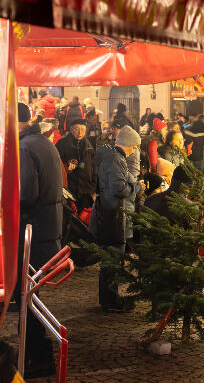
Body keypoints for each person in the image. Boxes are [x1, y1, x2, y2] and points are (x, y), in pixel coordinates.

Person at [16, 102, 63, 378]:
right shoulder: (41, 142)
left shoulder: (24, 147)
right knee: (29, 297)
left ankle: (39, 357)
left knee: (25, 297)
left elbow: (25, 193)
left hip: (32, 233)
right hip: (47, 229)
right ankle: (38, 354)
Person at [91, 126, 142, 311]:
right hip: (113, 216)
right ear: (129, 144)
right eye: (135, 147)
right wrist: (136, 188)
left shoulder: (112, 157)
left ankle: (110, 299)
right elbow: (118, 189)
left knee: (111, 260)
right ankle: (110, 301)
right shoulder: (115, 159)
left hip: (112, 214)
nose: (135, 151)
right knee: (112, 261)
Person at [55, 118, 97, 212]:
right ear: (71, 129)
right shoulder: (62, 144)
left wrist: (93, 188)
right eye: (77, 129)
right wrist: (66, 167)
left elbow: (94, 168)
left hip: (86, 190)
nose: (80, 132)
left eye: (83, 129)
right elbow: (56, 164)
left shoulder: (89, 145)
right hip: (69, 189)